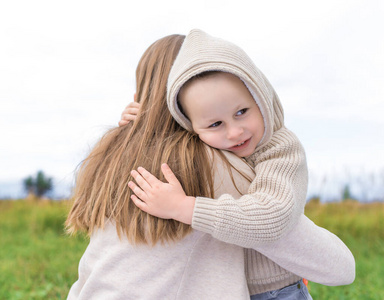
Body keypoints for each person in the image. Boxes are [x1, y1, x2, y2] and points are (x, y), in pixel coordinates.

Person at [126, 29, 355, 299]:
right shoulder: (207, 147)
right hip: (229, 288)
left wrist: (183, 207)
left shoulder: (280, 150)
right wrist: (145, 123)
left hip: (277, 291)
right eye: (215, 124)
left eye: (241, 112)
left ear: (261, 98)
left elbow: (273, 216)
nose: (235, 132)